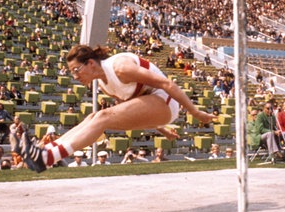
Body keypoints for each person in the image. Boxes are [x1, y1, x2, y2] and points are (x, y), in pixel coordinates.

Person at [17, 45, 216, 172]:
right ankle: (46, 150)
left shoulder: (120, 67)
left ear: (91, 63)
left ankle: (48, 157)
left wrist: (195, 112)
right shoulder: (103, 84)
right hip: (154, 106)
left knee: (102, 117)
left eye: (77, 70)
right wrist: (161, 128)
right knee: (93, 117)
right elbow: (129, 109)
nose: (75, 77)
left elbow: (168, 84)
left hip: (166, 101)